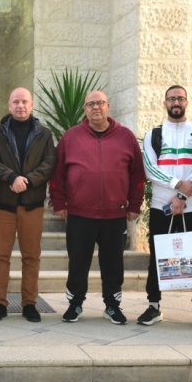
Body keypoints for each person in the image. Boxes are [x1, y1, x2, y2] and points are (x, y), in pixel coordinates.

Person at [50, 91, 144, 324]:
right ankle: (75, 304)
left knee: (113, 263)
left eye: (100, 103)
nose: (96, 108)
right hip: (80, 213)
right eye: (90, 104)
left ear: (108, 106)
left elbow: (137, 174)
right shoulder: (71, 137)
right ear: (85, 109)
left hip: (115, 214)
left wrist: (134, 204)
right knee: (78, 262)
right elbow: (57, 173)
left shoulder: (125, 136)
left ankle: (112, 306)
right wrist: (59, 202)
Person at [140, 85, 192, 330]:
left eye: (180, 98)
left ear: (187, 102)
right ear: (164, 103)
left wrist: (181, 196)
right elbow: (150, 168)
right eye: (171, 99)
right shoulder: (153, 135)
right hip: (161, 207)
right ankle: (153, 305)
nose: (176, 103)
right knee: (157, 255)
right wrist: (176, 185)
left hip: (191, 207)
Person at [0, 87, 56, 322]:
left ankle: (29, 304)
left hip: (32, 204)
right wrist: (11, 178)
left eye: (24, 101)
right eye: (16, 101)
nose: (20, 105)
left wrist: (29, 181)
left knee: (31, 256)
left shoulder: (44, 134)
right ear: (9, 105)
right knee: (0, 255)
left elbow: (49, 163)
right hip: (3, 204)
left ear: (31, 105)